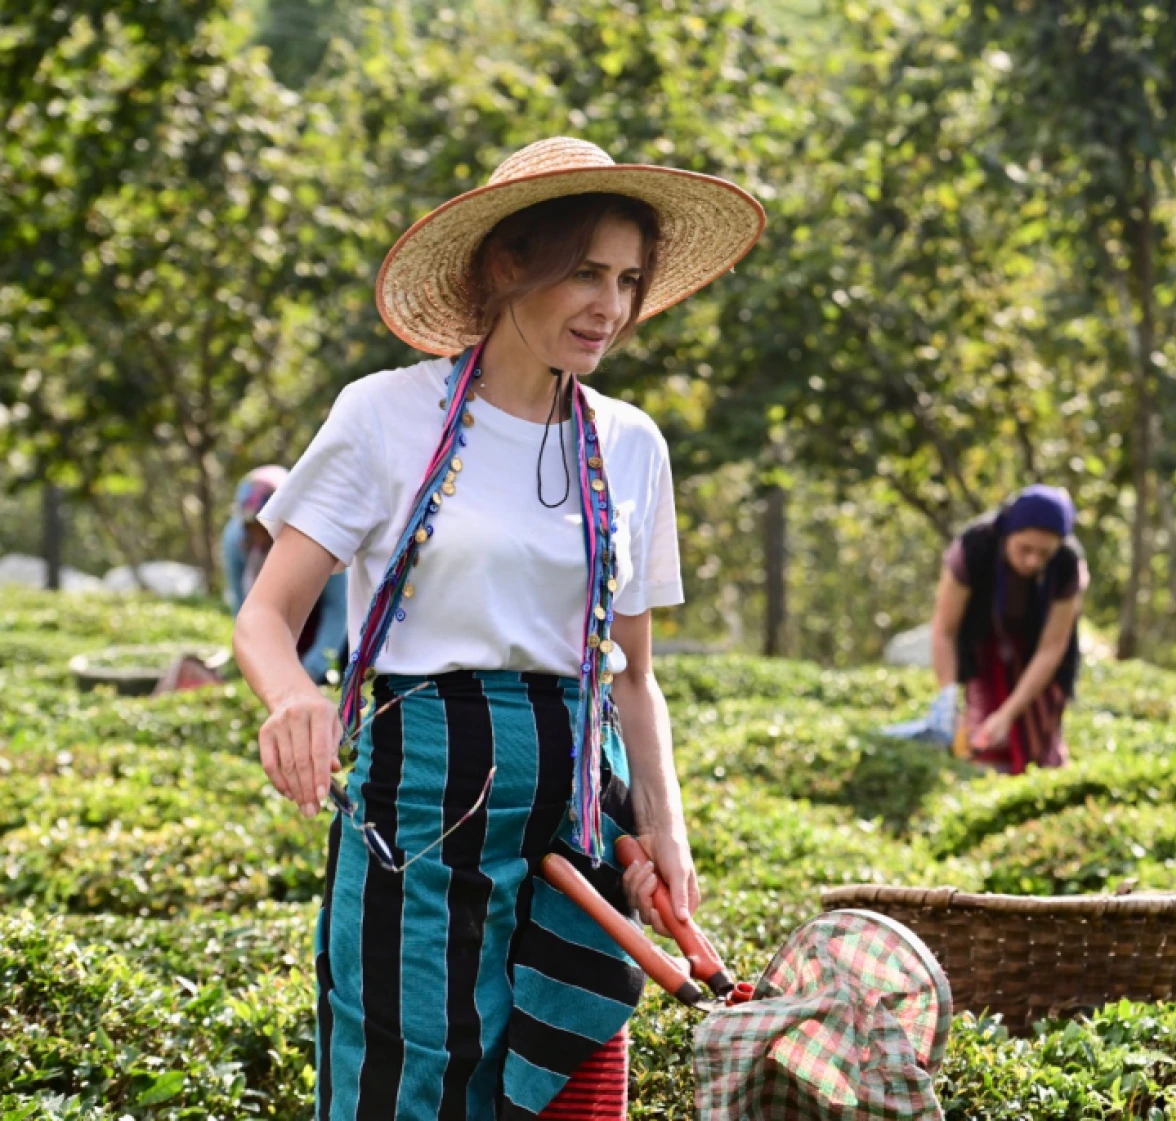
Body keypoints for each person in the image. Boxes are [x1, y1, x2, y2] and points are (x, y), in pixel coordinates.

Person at [232, 136, 764, 1119]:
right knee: (414, 1067)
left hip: (579, 796)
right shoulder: (384, 415)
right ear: (508, 263)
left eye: (628, 279)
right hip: (427, 796)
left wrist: (667, 823)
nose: (609, 305)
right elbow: (266, 613)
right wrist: (293, 694)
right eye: (584, 273)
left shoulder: (629, 443)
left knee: (571, 1068)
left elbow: (634, 674)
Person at [926, 484, 1087, 774]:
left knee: (1038, 735)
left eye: (1043, 553)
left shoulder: (1067, 563)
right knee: (981, 739)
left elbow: (1052, 648)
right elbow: (944, 630)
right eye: (1024, 549)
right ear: (1007, 534)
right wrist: (946, 695)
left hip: (1037, 654)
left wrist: (1008, 714)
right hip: (984, 648)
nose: (1032, 561)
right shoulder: (974, 547)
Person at [223, 465, 347, 685]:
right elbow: (242, 607)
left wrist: (313, 668)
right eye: (252, 528)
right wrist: (257, 663)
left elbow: (337, 609)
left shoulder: (320, 536)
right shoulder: (236, 540)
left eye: (265, 528)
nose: (259, 537)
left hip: (322, 629)